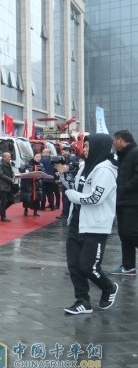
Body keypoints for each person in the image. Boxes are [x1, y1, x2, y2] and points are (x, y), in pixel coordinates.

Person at [60, 134, 119, 314]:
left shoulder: (105, 171)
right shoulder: (85, 167)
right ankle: (82, 301)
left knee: (89, 267)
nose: (83, 149)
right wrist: (63, 177)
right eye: (83, 145)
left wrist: (72, 196)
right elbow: (77, 189)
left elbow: (95, 198)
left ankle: (109, 288)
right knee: (74, 265)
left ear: (98, 147)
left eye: (86, 146)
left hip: (95, 226)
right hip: (77, 222)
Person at [111, 130, 138, 276]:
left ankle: (129, 266)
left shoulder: (135, 152)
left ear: (121, 140)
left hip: (133, 201)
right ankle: (128, 266)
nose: (113, 143)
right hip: (121, 200)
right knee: (123, 234)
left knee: (131, 232)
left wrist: (125, 187)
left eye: (114, 140)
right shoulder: (122, 155)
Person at [56, 145, 79, 220]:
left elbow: (67, 169)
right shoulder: (69, 158)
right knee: (65, 198)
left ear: (70, 152)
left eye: (65, 152)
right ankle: (66, 213)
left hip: (69, 181)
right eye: (62, 152)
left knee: (67, 198)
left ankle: (66, 214)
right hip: (67, 180)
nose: (63, 153)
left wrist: (61, 168)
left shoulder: (72, 158)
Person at [0, 152, 15, 222]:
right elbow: (1, 174)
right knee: (4, 201)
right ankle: (3, 216)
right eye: (9, 156)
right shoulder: (0, 164)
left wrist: (13, 176)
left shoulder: (8, 163)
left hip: (8, 185)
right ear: (4, 157)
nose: (10, 158)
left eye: (10, 156)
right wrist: (10, 179)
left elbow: (11, 172)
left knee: (11, 200)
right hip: (2, 186)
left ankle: (1, 211)